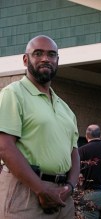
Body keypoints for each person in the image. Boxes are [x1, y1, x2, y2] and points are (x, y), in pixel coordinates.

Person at [0, 35, 80, 218]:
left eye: (51, 55)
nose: (45, 58)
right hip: (25, 192)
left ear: (57, 61)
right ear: (25, 59)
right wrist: (40, 189)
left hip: (63, 197)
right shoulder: (13, 94)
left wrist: (70, 187)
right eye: (38, 53)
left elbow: (74, 152)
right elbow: (4, 147)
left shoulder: (65, 108)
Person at [78, 124, 101, 219]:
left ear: (87, 136)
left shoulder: (81, 151)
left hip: (89, 195)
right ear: (100, 136)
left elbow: (76, 173)